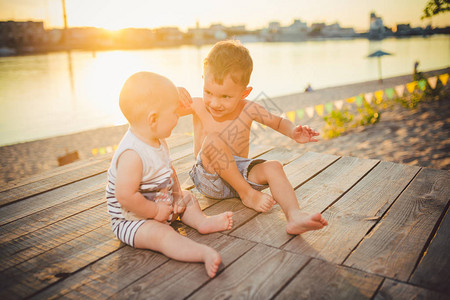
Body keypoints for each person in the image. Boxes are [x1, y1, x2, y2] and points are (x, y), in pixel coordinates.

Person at [178, 40, 328, 235]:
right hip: (209, 177)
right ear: (203, 80)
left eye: (225, 97)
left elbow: (278, 122)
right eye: (208, 92)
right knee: (214, 139)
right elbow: (162, 108)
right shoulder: (197, 105)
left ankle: (294, 215)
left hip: (239, 174)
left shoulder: (250, 108)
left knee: (274, 166)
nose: (214, 103)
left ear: (244, 92)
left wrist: (293, 132)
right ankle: (247, 195)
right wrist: (174, 93)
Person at [106, 71, 233, 278]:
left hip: (160, 203)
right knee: (162, 234)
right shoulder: (132, 154)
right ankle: (201, 253)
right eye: (174, 113)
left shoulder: (156, 139)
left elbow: (168, 170)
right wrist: (155, 212)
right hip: (132, 220)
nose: (177, 117)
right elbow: (126, 197)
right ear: (153, 119)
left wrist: (175, 194)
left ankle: (202, 222)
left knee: (188, 198)